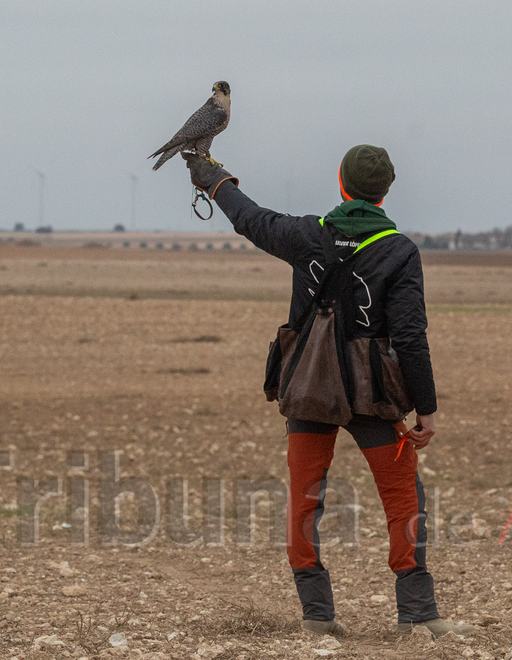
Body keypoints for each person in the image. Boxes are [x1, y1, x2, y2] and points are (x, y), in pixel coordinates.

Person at [184, 145, 474, 639]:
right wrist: (426, 409)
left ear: (341, 184)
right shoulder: (399, 251)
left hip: (309, 388)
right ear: (384, 191)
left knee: (304, 498)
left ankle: (316, 617)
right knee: (403, 496)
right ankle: (418, 615)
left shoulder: (306, 236)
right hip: (373, 397)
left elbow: (249, 218)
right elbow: (409, 337)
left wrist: (210, 177)